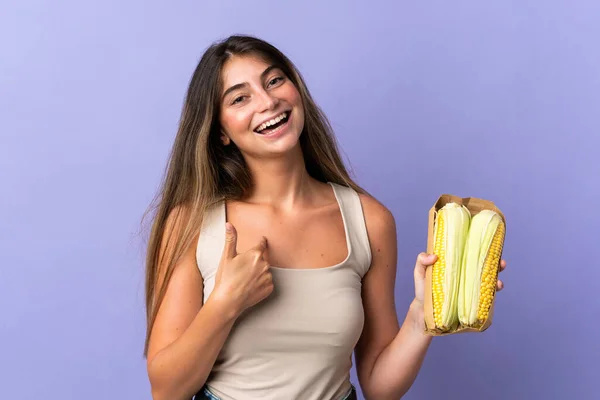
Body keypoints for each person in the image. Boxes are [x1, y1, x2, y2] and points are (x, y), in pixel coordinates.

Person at [141, 35, 507, 400]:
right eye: (240, 98)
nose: (268, 102)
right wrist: (226, 302)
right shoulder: (191, 225)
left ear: (296, 90)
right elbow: (167, 390)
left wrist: (421, 316)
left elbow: (380, 387)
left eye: (274, 81)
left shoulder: (369, 221)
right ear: (220, 131)